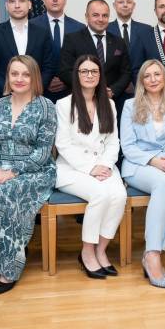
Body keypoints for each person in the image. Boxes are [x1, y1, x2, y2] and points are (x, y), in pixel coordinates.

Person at [0, 55, 57, 294]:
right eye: (14, 74)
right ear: (8, 77)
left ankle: (9, 269)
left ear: (34, 78)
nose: (19, 79)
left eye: (26, 74)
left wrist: (13, 172)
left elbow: (43, 151)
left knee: (7, 194)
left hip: (35, 171)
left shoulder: (45, 107)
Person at [121, 60, 165, 287]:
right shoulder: (130, 105)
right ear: (141, 80)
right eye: (147, 76)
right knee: (162, 183)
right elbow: (128, 147)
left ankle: (153, 251)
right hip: (139, 164)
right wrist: (153, 161)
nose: (153, 80)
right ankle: (153, 256)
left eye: (157, 75)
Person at [55, 55, 126, 279]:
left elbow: (113, 141)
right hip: (72, 168)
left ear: (100, 75)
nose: (89, 75)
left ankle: (101, 250)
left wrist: (104, 165)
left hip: (104, 165)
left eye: (94, 71)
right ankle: (87, 251)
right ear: (76, 75)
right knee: (100, 195)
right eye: (84, 71)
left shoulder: (109, 104)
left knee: (119, 196)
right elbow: (63, 144)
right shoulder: (64, 104)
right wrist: (90, 168)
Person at [0, 0, 55, 100]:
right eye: (12, 1)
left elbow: (48, 67)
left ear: (29, 4)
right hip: (4, 97)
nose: (17, 5)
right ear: (6, 6)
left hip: (36, 97)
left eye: (21, 1)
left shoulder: (43, 33)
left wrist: (35, 90)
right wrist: (9, 91)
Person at [58, 0, 131, 104]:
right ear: (86, 16)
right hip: (81, 100)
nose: (101, 19)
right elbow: (65, 71)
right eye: (95, 15)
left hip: (112, 100)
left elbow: (126, 72)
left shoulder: (119, 41)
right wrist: (89, 89)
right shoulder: (72, 39)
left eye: (105, 15)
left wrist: (113, 90)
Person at [29, 0, 84, 102]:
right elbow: (30, 59)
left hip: (71, 93)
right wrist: (45, 81)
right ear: (43, 0)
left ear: (65, 0)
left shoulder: (79, 28)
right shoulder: (31, 26)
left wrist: (66, 81)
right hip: (39, 92)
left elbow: (81, 62)